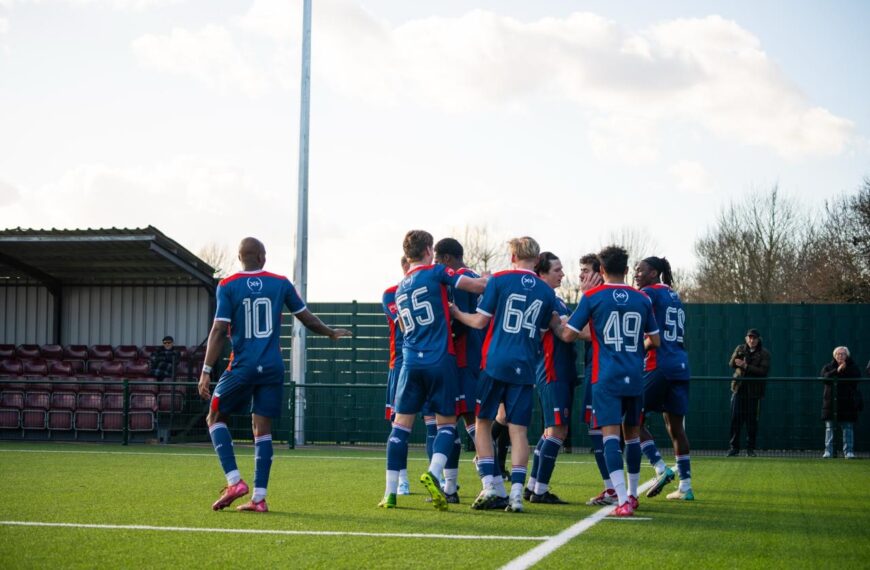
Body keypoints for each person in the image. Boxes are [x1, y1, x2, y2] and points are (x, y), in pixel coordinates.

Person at [197, 237, 352, 512]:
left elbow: (220, 329)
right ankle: (259, 498)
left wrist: (206, 370)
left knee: (215, 415)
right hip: (272, 367)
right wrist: (330, 332)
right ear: (262, 256)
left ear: (239, 256)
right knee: (262, 430)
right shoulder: (280, 282)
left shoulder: (228, 285)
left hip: (242, 365)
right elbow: (306, 317)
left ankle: (234, 481)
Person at [451, 236, 559, 513]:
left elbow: (479, 321)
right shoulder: (548, 293)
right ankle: (516, 495)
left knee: (483, 422)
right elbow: (548, 331)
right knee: (518, 431)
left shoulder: (499, 280)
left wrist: (455, 311)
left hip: (496, 361)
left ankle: (489, 485)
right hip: (525, 365)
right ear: (536, 260)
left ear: (512, 257)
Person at [379, 230, 486, 510]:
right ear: (429, 249)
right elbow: (476, 287)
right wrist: (493, 279)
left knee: (399, 428)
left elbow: (402, 326)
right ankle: (435, 474)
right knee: (447, 426)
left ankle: (390, 492)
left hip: (410, 363)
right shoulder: (437, 272)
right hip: (441, 359)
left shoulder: (399, 287)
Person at [557, 245, 660, 517]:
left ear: (601, 270)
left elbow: (568, 335)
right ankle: (633, 494)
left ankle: (622, 499)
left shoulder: (592, 297)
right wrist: (637, 347)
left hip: (606, 377)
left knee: (610, 438)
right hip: (635, 375)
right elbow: (656, 340)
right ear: (626, 270)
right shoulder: (642, 299)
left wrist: (556, 322)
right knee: (634, 436)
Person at [634, 256, 694, 501]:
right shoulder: (673, 294)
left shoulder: (649, 293)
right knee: (675, 427)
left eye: (641, 270)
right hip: (680, 364)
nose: (636, 274)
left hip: (659, 363)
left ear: (654, 272)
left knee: (629, 418)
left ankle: (660, 467)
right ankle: (686, 486)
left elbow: (650, 334)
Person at [434, 237, 484, 503]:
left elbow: (463, 319)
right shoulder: (474, 276)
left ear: (446, 259)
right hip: (475, 356)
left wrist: (447, 336)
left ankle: (478, 483)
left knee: (459, 421)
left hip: (462, 357)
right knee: (468, 421)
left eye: (437, 261)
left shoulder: (461, 278)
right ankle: (458, 485)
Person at [524, 251, 574, 504]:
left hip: (557, 371)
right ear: (541, 273)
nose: (562, 274)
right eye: (557, 270)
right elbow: (566, 333)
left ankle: (534, 485)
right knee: (557, 430)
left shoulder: (555, 300)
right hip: (552, 370)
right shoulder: (548, 300)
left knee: (550, 431)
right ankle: (540, 490)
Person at [381, 256, 411, 495]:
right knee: (398, 424)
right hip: (400, 364)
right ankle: (402, 479)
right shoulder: (391, 293)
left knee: (437, 422)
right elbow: (402, 324)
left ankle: (444, 480)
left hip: (429, 360)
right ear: (403, 266)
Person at [728, 328, 771, 457]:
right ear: (746, 339)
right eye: (750, 338)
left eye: (754, 338)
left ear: (758, 340)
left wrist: (746, 366)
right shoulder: (740, 349)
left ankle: (750, 449)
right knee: (735, 420)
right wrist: (738, 359)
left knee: (752, 422)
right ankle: (734, 448)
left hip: (754, 393)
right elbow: (731, 364)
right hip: (738, 390)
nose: (752, 340)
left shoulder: (764, 353)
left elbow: (763, 371)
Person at [820, 346, 862, 459]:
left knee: (848, 428)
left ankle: (848, 452)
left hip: (847, 403)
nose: (840, 356)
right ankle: (828, 451)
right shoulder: (828, 367)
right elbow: (825, 378)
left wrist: (845, 369)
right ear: (834, 355)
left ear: (847, 355)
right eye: (838, 354)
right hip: (830, 404)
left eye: (843, 354)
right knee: (829, 429)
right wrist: (837, 370)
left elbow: (856, 377)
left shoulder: (853, 367)